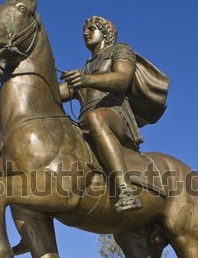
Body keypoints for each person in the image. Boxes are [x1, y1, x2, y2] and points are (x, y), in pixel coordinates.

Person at [59, 16, 144, 213]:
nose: (85, 33)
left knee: (95, 116)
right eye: (84, 30)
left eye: (91, 28)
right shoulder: (86, 68)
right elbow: (58, 92)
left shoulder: (120, 50)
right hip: (86, 125)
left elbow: (122, 79)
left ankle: (125, 189)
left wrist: (86, 79)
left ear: (106, 32)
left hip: (116, 116)